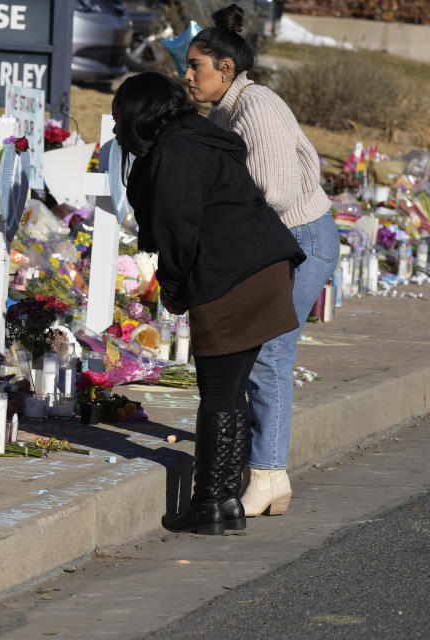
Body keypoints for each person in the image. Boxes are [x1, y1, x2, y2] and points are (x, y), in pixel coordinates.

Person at [114, 72, 305, 535]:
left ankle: (208, 505)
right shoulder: (201, 136)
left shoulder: (175, 152)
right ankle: (227, 504)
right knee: (232, 391)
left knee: (218, 394)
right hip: (265, 271)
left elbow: (180, 232)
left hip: (229, 278)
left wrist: (175, 289)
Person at [185, 4, 340, 517]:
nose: (187, 76)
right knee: (259, 353)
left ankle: (270, 475)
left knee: (270, 353)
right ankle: (266, 470)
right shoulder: (226, 109)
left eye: (195, 67)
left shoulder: (257, 108)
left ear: (224, 69)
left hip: (301, 239)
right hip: (276, 241)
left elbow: (273, 191)